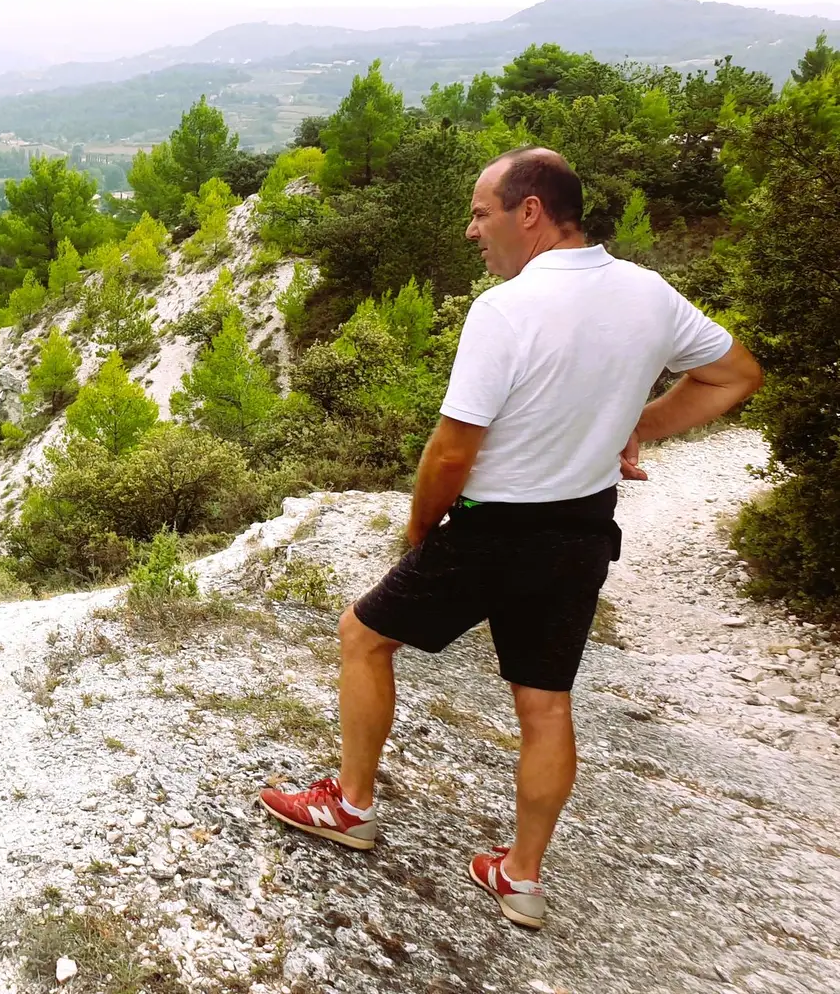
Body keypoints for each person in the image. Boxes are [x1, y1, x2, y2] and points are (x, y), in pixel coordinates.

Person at [257, 147, 764, 929]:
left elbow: (450, 452)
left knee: (363, 636)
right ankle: (521, 878)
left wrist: (420, 532)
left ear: (530, 212)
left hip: (494, 528)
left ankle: (350, 806)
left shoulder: (505, 310)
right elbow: (736, 374)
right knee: (545, 704)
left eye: (480, 213)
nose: (471, 231)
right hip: (582, 529)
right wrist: (638, 426)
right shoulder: (648, 293)